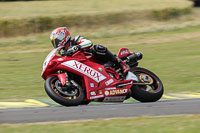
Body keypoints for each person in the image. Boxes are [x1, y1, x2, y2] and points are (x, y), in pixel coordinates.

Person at [50, 27, 129, 74]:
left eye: (57, 40)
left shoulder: (76, 39)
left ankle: (120, 63)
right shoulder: (64, 54)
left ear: (64, 36)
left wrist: (78, 46)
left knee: (97, 48)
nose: (56, 43)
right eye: (54, 42)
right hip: (87, 69)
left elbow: (89, 43)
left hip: (95, 59)